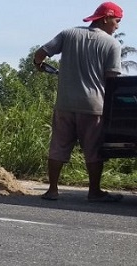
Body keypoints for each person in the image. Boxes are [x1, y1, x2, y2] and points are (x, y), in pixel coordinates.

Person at [34, 2, 124, 202]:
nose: (117, 26)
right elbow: (112, 81)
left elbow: (40, 53)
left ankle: (52, 190)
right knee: (93, 150)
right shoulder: (112, 44)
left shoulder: (69, 34)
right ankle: (94, 192)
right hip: (93, 107)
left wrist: (38, 65)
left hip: (64, 104)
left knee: (58, 146)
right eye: (117, 21)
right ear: (106, 18)